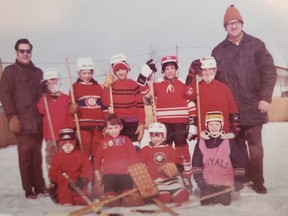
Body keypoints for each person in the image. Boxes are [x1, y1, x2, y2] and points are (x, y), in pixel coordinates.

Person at [212, 4, 277, 194]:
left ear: (241, 23)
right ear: (225, 27)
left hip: (254, 104)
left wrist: (265, 98)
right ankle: (244, 176)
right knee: (237, 143)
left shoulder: (256, 45)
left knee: (255, 143)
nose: (233, 26)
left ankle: (257, 179)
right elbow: (214, 80)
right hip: (232, 108)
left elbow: (269, 72)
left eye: (236, 22)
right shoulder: (218, 51)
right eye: (229, 24)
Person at [137, 55, 197, 192]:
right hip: (164, 123)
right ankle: (168, 174)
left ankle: (186, 175)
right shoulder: (157, 85)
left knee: (182, 149)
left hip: (180, 122)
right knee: (166, 150)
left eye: (173, 68)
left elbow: (191, 102)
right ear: (163, 71)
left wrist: (193, 124)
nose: (170, 71)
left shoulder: (183, 85)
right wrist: (143, 75)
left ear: (176, 70)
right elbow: (144, 91)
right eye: (167, 68)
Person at [0, 38, 47, 199]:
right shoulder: (10, 72)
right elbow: (5, 95)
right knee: (25, 156)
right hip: (22, 122)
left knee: (37, 156)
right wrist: (12, 116)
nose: (25, 54)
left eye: (28, 51)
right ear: (16, 52)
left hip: (37, 122)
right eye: (22, 51)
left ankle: (40, 186)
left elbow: (44, 95)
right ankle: (29, 189)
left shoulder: (38, 72)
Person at [192, 111, 245, 206]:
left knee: (224, 201)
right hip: (207, 183)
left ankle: (225, 193)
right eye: (211, 124)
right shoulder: (201, 143)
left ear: (222, 125)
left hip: (224, 182)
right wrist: (201, 183)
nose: (214, 127)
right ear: (206, 126)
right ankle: (207, 192)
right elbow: (196, 164)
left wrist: (239, 180)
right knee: (206, 202)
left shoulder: (229, 142)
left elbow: (238, 162)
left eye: (217, 124)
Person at [92, 114, 144, 207]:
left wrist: (133, 170)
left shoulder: (126, 140)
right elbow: (97, 159)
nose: (113, 131)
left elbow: (133, 156)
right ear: (106, 129)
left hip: (124, 173)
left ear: (121, 127)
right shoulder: (103, 142)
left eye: (115, 127)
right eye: (110, 128)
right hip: (109, 174)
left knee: (127, 195)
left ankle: (126, 197)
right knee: (110, 195)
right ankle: (111, 197)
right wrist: (98, 175)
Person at [101, 53, 146, 152]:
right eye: (117, 70)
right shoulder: (112, 85)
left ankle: (136, 165)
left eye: (123, 69)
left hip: (133, 121)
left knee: (134, 146)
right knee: (120, 148)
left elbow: (140, 105)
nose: (121, 72)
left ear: (127, 69)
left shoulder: (133, 84)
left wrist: (141, 123)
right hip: (118, 122)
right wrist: (106, 86)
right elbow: (105, 101)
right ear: (114, 72)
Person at [138, 122, 190, 204]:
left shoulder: (169, 149)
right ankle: (164, 196)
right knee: (164, 197)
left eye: (158, 135)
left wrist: (176, 167)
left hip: (171, 180)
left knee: (183, 195)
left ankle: (173, 195)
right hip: (155, 182)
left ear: (164, 136)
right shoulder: (145, 150)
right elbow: (139, 166)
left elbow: (178, 163)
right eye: (152, 135)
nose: (155, 138)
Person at [69, 57, 109, 160]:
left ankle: (96, 172)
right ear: (79, 73)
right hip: (83, 124)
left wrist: (106, 122)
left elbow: (104, 106)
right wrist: (72, 108)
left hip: (98, 124)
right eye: (84, 73)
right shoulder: (74, 87)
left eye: (89, 73)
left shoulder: (97, 87)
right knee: (84, 148)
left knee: (97, 149)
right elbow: (70, 106)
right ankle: (85, 173)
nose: (87, 76)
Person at [37, 68, 74, 174]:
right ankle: (54, 181)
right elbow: (41, 110)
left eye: (53, 80)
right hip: (50, 136)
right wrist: (45, 95)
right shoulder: (45, 99)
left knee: (66, 158)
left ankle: (67, 181)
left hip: (64, 135)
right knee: (51, 159)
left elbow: (70, 117)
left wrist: (69, 131)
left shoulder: (66, 98)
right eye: (48, 82)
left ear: (59, 81)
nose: (51, 84)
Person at [190, 56, 240, 135]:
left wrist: (235, 122)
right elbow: (188, 95)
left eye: (210, 69)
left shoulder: (223, 87)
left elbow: (232, 106)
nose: (207, 73)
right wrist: (191, 75)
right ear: (200, 72)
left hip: (223, 129)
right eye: (204, 70)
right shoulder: (196, 87)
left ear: (215, 70)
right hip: (203, 129)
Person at [49, 128, 93, 205]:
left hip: (78, 183)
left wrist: (82, 181)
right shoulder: (57, 157)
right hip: (64, 183)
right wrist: (54, 184)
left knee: (82, 201)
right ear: (61, 144)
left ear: (75, 143)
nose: (68, 146)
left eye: (71, 144)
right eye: (64, 144)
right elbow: (54, 172)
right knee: (66, 201)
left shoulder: (81, 155)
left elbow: (87, 169)